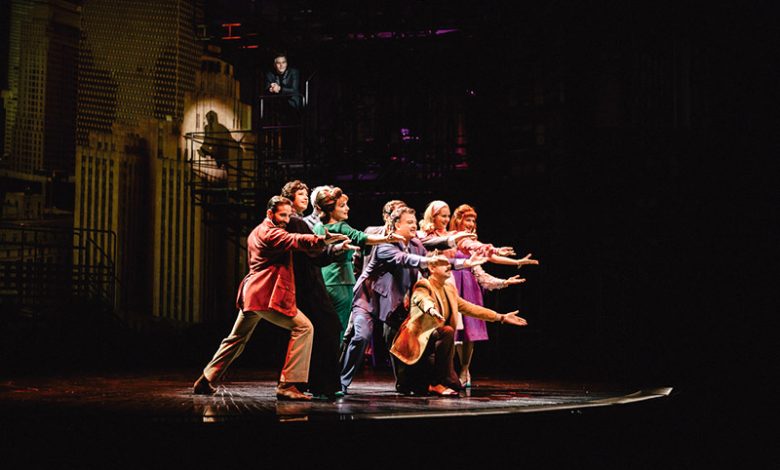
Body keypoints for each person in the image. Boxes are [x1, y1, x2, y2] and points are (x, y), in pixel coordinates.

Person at [192, 196, 348, 400]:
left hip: (252, 295)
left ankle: (206, 378)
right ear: (270, 213)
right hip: (264, 295)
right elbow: (294, 240)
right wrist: (321, 240)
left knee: (236, 338)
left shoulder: (256, 231)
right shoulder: (270, 232)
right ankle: (287, 384)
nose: (286, 220)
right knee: (304, 328)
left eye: (288, 215)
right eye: (282, 215)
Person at [339, 206, 484, 394]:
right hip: (369, 300)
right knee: (361, 336)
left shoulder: (415, 244)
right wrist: (428, 261)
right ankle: (340, 382)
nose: (414, 225)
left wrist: (464, 263)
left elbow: (433, 262)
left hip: (394, 305)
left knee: (406, 339)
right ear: (396, 225)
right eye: (409, 222)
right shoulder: (385, 245)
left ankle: (415, 382)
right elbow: (405, 259)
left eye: (415, 222)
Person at [389, 256, 528, 396]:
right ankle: (436, 383)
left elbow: (470, 308)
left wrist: (501, 317)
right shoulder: (423, 284)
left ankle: (440, 381)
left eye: (449, 264)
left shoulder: (449, 288)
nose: (448, 266)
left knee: (455, 384)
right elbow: (421, 298)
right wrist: (430, 309)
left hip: (432, 342)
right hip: (417, 342)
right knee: (447, 331)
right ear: (432, 268)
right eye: (443, 264)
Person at [280, 180, 357, 399]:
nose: (304, 196)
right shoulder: (295, 222)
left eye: (306, 193)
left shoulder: (302, 222)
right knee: (325, 328)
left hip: (310, 279)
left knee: (323, 330)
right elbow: (311, 251)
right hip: (306, 283)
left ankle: (316, 383)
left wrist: (333, 247)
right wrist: (329, 245)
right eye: (300, 194)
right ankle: (317, 384)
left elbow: (317, 253)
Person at [448, 204, 539, 387]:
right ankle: (450, 370)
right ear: (458, 220)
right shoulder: (451, 238)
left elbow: (489, 256)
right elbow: (483, 251)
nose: (471, 223)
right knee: (454, 329)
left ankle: (465, 369)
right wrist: (496, 251)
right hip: (453, 282)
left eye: (473, 220)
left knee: (470, 331)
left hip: (470, 284)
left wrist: (516, 262)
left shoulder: (473, 240)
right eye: (467, 220)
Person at [312, 187, 404, 338]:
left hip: (322, 281)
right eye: (342, 205)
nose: (347, 208)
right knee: (339, 329)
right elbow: (362, 237)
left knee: (323, 329)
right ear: (330, 210)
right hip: (341, 282)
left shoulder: (317, 227)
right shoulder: (341, 226)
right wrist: (387, 238)